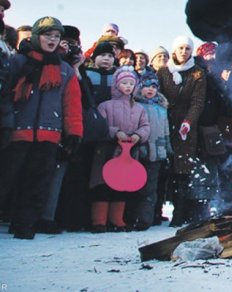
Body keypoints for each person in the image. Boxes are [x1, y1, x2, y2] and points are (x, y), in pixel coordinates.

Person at [0, 17, 83, 239]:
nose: (52, 40)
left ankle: (24, 225)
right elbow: (5, 95)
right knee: (6, 181)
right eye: (48, 35)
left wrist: (74, 132)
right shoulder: (17, 62)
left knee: (36, 184)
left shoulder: (64, 70)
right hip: (17, 133)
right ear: (37, 36)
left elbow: (72, 104)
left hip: (48, 135)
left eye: (56, 36)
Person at [88, 67, 150, 233]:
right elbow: (100, 126)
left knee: (121, 185)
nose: (128, 86)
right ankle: (99, 220)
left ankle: (116, 218)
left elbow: (145, 126)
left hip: (129, 152)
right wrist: (116, 132)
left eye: (131, 83)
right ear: (116, 85)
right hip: (107, 150)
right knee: (102, 184)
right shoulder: (105, 106)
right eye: (124, 83)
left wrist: (138, 135)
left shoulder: (139, 108)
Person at [157, 36, 208, 227]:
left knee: (183, 169)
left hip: (186, 124)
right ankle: (155, 212)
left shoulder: (197, 73)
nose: (184, 52)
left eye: (187, 48)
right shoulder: (163, 72)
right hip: (164, 120)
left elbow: (197, 101)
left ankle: (180, 213)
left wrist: (188, 121)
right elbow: (158, 94)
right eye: (180, 48)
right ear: (174, 50)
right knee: (163, 167)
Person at [132, 70, 171, 230]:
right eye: (146, 86)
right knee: (136, 186)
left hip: (157, 153)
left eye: (153, 86)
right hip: (139, 152)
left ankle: (145, 219)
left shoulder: (161, 108)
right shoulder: (136, 106)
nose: (150, 90)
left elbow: (166, 130)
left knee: (150, 188)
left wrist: (168, 148)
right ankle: (132, 216)